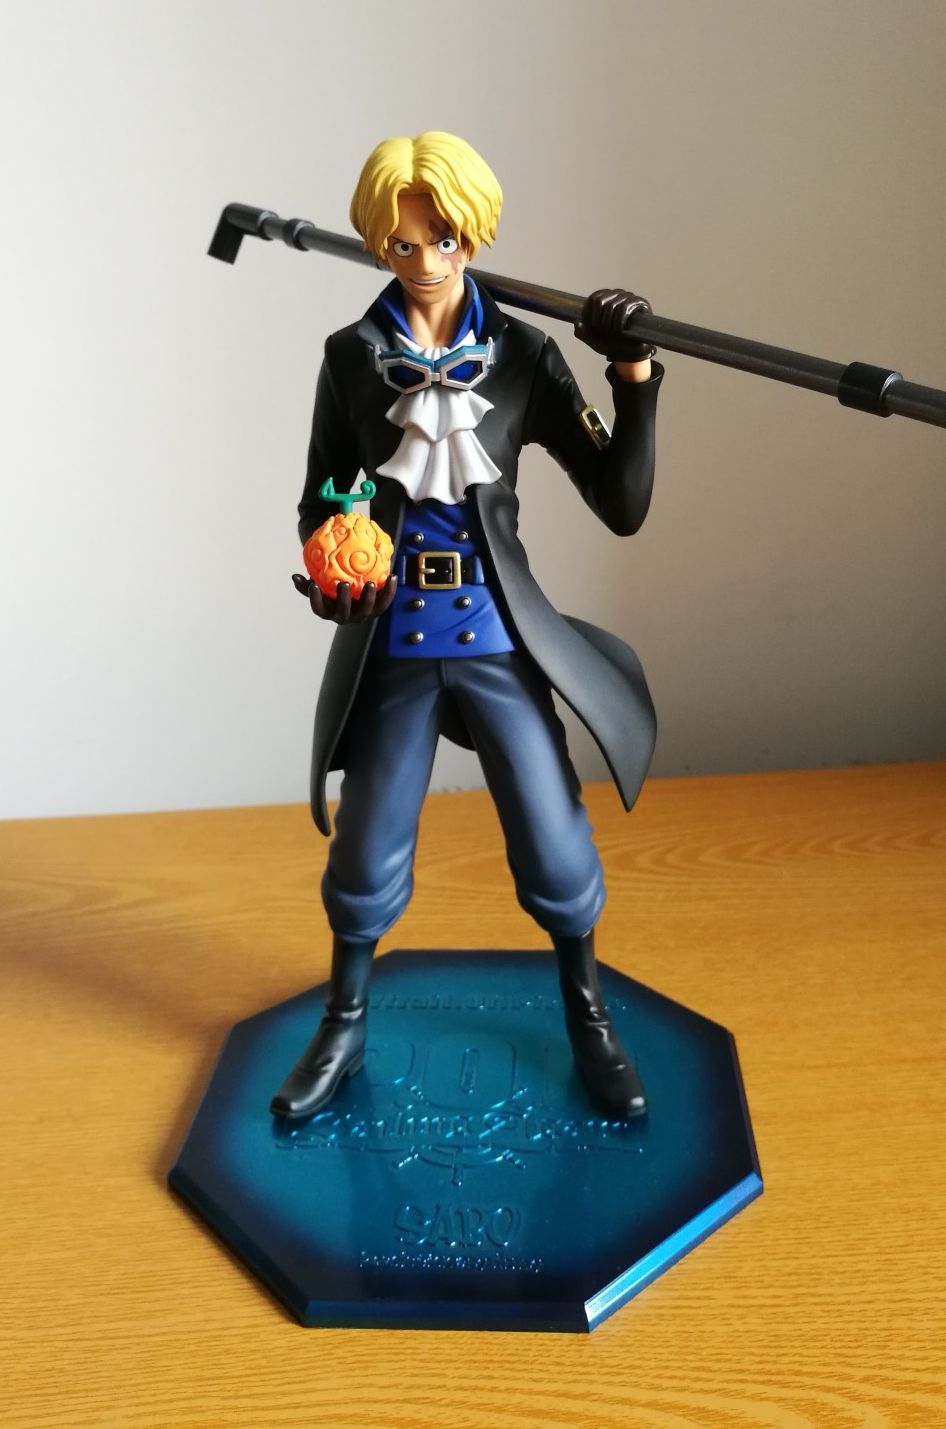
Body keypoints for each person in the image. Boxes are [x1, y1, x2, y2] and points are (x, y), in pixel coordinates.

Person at [271, 131, 664, 1123]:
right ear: (378, 244)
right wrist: (335, 570)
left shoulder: (524, 355)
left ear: (473, 235)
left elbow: (620, 502)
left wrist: (632, 374)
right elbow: (322, 495)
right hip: (395, 635)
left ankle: (587, 1014)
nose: (425, 260)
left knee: (553, 835)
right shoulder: (351, 358)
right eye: (402, 244)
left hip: (495, 630)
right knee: (366, 845)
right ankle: (344, 1021)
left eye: (443, 239)